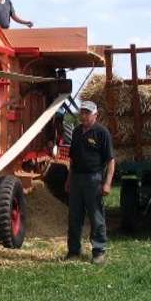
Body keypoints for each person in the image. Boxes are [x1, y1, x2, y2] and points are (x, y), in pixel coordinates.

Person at [64, 100, 115, 265]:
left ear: (95, 115)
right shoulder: (77, 132)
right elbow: (72, 159)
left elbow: (111, 161)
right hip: (77, 179)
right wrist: (69, 179)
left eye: (88, 113)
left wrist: (107, 183)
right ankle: (73, 251)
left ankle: (99, 251)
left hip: (94, 179)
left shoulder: (102, 132)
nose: (84, 116)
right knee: (74, 217)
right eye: (82, 112)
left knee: (96, 217)